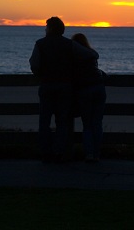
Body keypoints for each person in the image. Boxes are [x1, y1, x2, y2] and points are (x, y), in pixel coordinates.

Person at [29, 17, 97, 163]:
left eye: (46, 27)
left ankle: (45, 152)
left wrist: (41, 75)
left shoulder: (40, 44)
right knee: (62, 121)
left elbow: (34, 64)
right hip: (65, 87)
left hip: (47, 85)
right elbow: (91, 55)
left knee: (44, 120)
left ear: (51, 28)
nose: (45, 29)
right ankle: (59, 151)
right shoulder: (69, 44)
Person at [72, 33, 106, 163]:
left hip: (84, 90)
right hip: (99, 88)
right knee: (97, 123)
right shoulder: (92, 55)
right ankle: (97, 154)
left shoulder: (74, 57)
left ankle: (89, 154)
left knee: (87, 125)